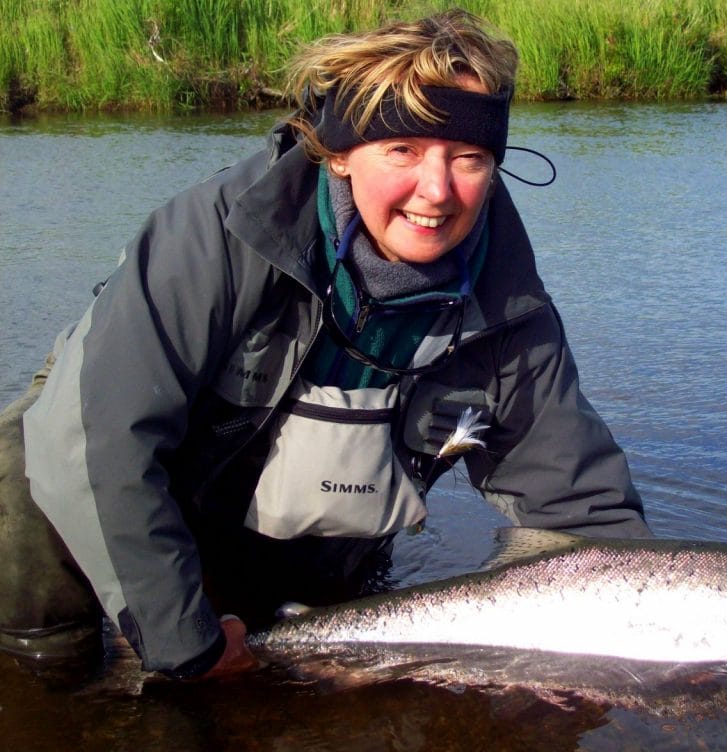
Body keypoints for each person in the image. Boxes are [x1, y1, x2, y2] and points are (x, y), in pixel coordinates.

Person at [0, 8, 648, 682]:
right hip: (159, 491)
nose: (438, 190)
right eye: (404, 150)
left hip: (316, 542)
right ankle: (49, 686)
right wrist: (184, 641)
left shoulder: (511, 310)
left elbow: (580, 513)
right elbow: (101, 440)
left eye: (469, 158)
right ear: (338, 151)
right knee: (24, 464)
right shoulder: (218, 236)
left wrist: (648, 641)